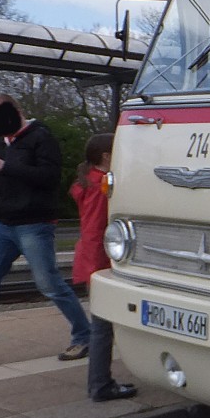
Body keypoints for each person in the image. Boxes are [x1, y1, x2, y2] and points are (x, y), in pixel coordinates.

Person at [0, 94, 91, 368]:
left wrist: (6, 166)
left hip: (34, 223)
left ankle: (84, 335)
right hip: (2, 224)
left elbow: (49, 178)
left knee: (49, 285)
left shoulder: (41, 138)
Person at [70, 132, 137, 402]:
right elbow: (99, 229)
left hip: (88, 258)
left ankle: (99, 384)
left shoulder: (88, 183)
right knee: (102, 328)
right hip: (98, 262)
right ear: (107, 157)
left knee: (102, 326)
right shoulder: (101, 188)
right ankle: (100, 385)